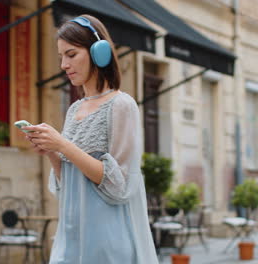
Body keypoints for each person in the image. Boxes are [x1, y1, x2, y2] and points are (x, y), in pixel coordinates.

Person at [23, 15, 158, 264]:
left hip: (107, 242)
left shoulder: (121, 105)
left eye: (71, 54)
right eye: (61, 56)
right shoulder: (74, 110)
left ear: (99, 52)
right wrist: (52, 151)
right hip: (72, 238)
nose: (64, 64)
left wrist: (63, 145)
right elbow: (70, 184)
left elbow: (120, 185)